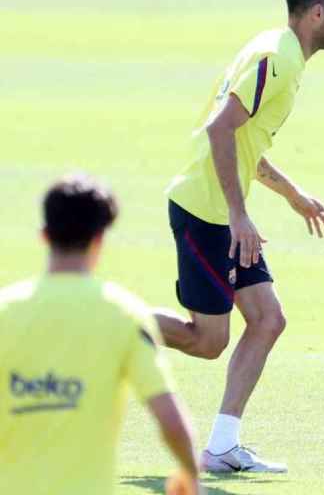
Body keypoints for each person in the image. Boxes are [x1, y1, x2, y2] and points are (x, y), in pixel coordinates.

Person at [155, 0, 324, 472]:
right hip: (206, 211)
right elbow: (220, 131)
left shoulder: (279, 53)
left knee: (267, 319)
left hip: (222, 210)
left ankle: (221, 446)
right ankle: (110, 324)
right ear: (318, 13)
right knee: (208, 339)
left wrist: (292, 195)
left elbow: (244, 144)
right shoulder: (276, 61)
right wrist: (239, 215)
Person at [0, 173, 203, 494]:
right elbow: (171, 422)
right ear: (99, 240)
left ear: (44, 236)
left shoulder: (4, 311)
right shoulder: (126, 315)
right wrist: (190, 475)